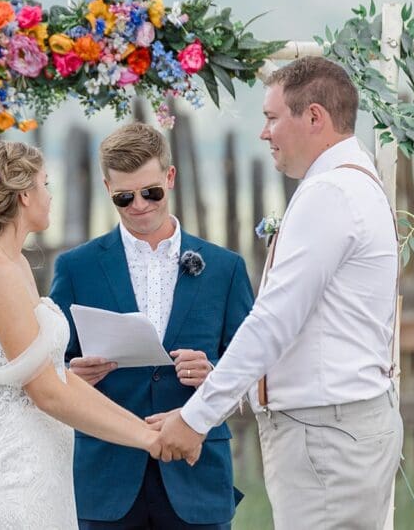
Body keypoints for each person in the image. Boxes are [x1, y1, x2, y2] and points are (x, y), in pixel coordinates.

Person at [152, 56, 404, 530]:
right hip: (336, 429)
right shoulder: (354, 182)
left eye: (271, 118)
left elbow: (273, 322)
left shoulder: (331, 193)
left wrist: (195, 417)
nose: (264, 133)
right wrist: (229, 382)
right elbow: (319, 331)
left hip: (326, 437)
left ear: (314, 117)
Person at [0, 138, 165, 530]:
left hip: (46, 465)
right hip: (19, 472)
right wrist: (146, 440)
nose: (49, 196)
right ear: (23, 195)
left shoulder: (15, 262)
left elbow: (56, 375)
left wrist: (143, 426)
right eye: (45, 184)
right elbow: (47, 392)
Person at [50, 122, 254, 529]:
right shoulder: (76, 268)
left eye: (151, 192)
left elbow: (252, 365)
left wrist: (213, 374)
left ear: (170, 177)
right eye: (125, 197)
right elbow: (50, 367)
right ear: (107, 188)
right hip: (106, 477)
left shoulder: (225, 268)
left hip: (197, 474)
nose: (140, 205)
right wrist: (73, 374)